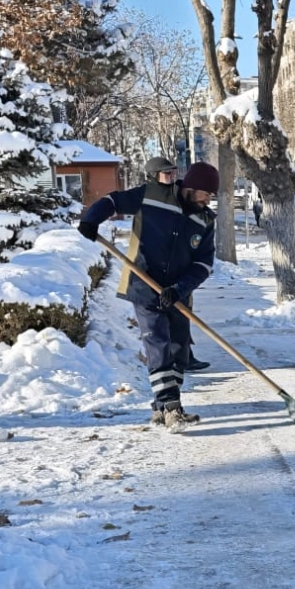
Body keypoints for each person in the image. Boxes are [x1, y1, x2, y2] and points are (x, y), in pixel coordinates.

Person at [77, 160, 220, 428]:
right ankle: (171, 407)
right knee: (158, 346)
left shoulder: (205, 220)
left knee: (179, 352)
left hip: (178, 293)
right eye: (206, 193)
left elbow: (204, 264)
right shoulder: (153, 195)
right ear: (192, 187)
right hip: (144, 287)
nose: (208, 199)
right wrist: (91, 218)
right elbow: (113, 200)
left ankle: (161, 406)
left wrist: (179, 289)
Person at [143, 156, 211, 372]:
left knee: (181, 317)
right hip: (150, 281)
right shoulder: (150, 199)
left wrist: (181, 286)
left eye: (173, 172)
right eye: (166, 173)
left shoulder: (192, 208)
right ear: (153, 176)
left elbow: (202, 257)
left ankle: (184, 356)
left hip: (180, 278)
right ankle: (170, 365)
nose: (171, 177)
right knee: (160, 332)